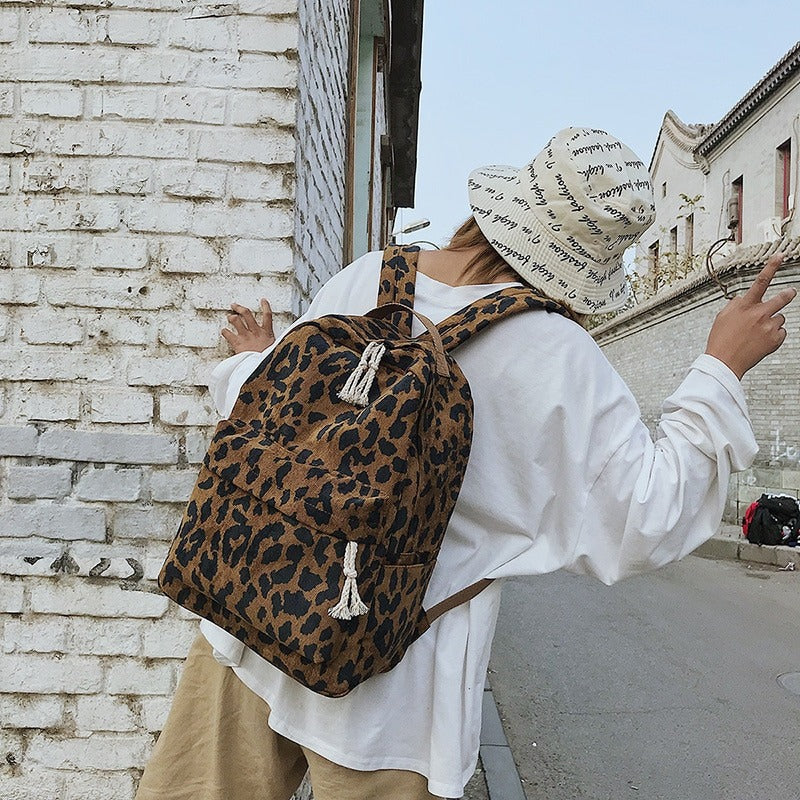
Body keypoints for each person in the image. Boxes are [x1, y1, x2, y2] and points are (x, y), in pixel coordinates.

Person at [135, 127, 795, 800]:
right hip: (393, 682)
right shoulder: (559, 355)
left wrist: (254, 357)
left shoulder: (370, 274)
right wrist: (721, 368)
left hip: (249, 617)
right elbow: (646, 517)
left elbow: (281, 421)